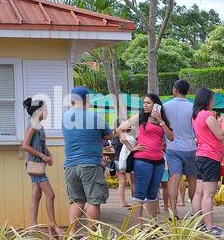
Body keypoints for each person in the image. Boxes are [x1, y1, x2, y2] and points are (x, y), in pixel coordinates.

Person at [61, 86, 116, 232]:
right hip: (89, 164)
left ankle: (72, 234)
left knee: (77, 200)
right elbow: (109, 135)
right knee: (94, 200)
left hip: (70, 165)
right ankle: (92, 237)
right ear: (87, 99)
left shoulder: (65, 117)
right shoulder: (94, 116)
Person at [127, 94, 173, 225]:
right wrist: (132, 147)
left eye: (148, 103)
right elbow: (120, 130)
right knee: (140, 193)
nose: (145, 105)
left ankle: (153, 225)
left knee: (153, 194)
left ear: (156, 105)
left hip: (158, 161)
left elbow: (171, 137)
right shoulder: (140, 118)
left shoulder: (162, 120)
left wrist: (161, 121)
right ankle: (139, 226)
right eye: (144, 103)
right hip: (142, 160)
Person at [21, 96, 60, 238]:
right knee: (50, 194)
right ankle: (53, 225)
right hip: (35, 167)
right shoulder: (32, 126)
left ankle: (33, 227)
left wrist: (48, 155)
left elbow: (41, 145)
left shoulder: (39, 127)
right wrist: (43, 157)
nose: (47, 111)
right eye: (45, 109)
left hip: (39, 165)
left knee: (36, 195)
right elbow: (25, 145)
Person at [190, 88, 224, 235]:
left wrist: (218, 122)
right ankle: (209, 226)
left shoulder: (196, 115)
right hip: (211, 156)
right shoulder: (207, 115)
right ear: (207, 100)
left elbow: (207, 132)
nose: (214, 102)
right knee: (209, 194)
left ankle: (196, 223)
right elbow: (220, 135)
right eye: (213, 99)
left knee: (199, 192)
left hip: (200, 155)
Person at [162, 79, 196, 220]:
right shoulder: (193, 107)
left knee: (174, 178)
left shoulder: (165, 106)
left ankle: (173, 210)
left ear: (175, 90)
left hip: (172, 147)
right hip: (190, 147)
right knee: (192, 179)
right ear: (187, 91)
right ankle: (195, 210)